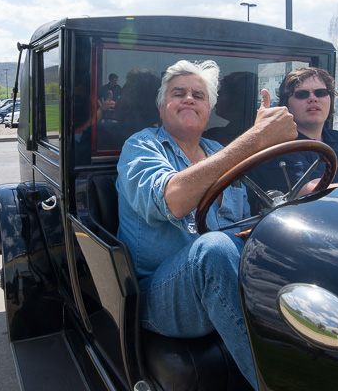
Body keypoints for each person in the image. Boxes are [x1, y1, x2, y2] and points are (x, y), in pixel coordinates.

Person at [116, 59, 296, 389]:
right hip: (157, 295)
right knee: (213, 250)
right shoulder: (141, 145)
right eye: (178, 93)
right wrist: (255, 139)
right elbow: (173, 200)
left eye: (198, 95)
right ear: (161, 106)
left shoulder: (216, 150)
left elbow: (238, 222)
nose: (189, 98)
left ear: (208, 110)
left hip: (227, 275)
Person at [250, 67, 338, 195]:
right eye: (302, 94)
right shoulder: (278, 147)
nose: (313, 99)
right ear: (286, 104)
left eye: (321, 93)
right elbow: (314, 192)